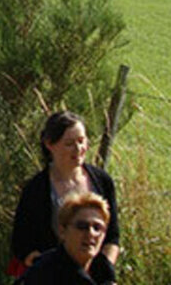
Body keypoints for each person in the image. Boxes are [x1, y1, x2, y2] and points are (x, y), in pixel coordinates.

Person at [10, 112, 119, 275]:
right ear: (49, 144)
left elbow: (112, 236)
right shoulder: (36, 189)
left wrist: (104, 272)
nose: (78, 149)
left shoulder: (103, 181)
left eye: (82, 141)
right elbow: (21, 244)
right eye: (69, 143)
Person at [15, 192, 116, 285]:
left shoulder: (104, 273)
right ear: (62, 230)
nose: (90, 233)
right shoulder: (43, 273)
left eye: (97, 228)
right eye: (82, 226)